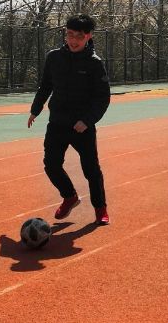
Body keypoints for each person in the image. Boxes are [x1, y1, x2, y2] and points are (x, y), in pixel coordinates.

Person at [28, 13, 111, 225]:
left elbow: (102, 98)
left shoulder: (94, 63)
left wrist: (87, 120)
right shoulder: (54, 57)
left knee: (91, 170)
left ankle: (100, 208)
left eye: (79, 36)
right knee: (51, 165)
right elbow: (46, 86)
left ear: (89, 36)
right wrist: (35, 109)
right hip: (57, 123)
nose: (73, 40)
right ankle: (69, 196)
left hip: (82, 126)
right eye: (70, 34)